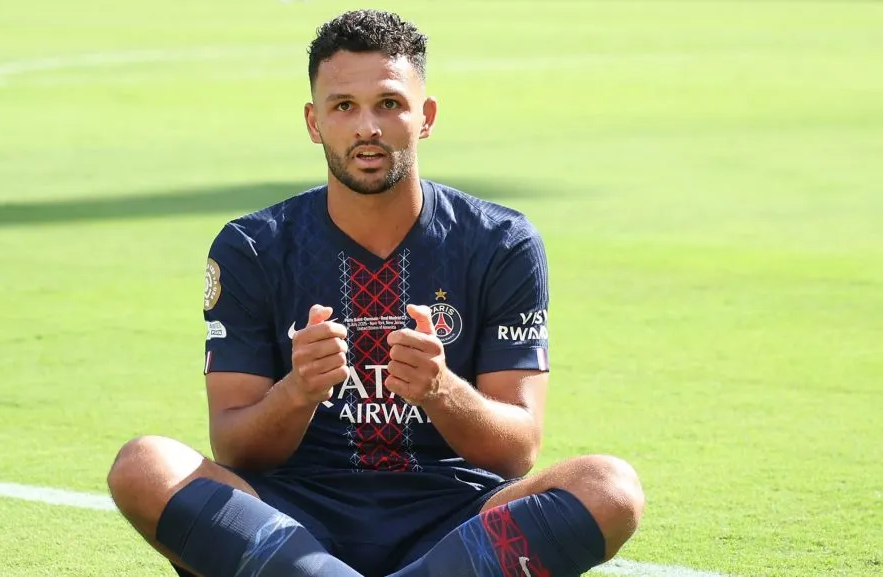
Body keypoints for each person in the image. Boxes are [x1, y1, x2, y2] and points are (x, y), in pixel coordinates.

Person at [107, 9, 644, 577]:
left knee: (610, 488)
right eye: (344, 107)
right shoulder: (254, 246)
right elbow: (236, 450)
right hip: (291, 516)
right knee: (144, 466)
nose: (368, 127)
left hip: (456, 516)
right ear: (314, 122)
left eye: (389, 103)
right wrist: (298, 391)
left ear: (426, 116)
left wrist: (441, 391)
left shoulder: (500, 242)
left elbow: (516, 452)